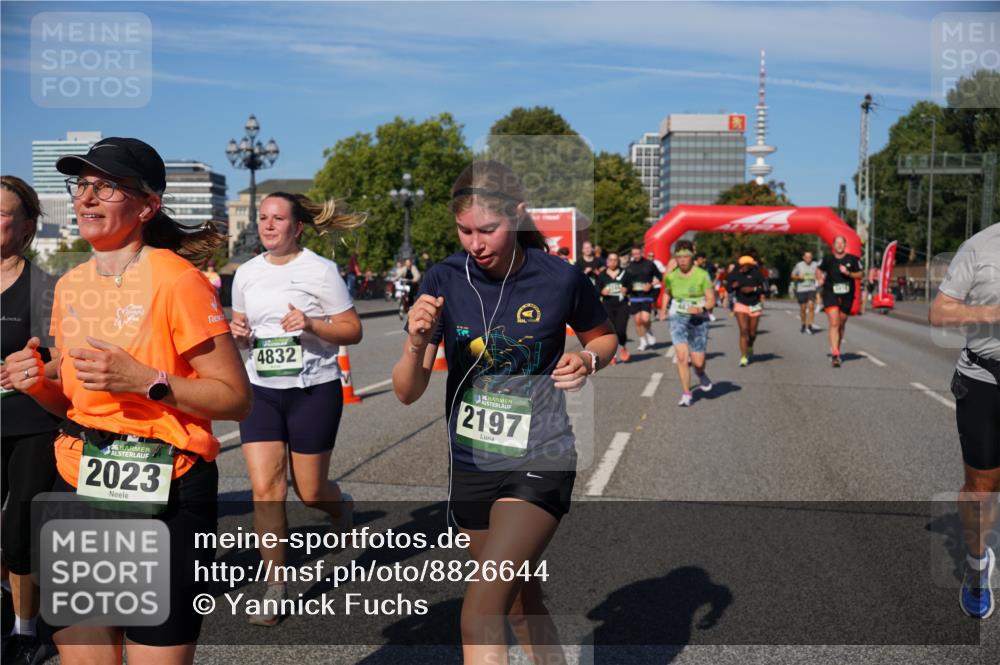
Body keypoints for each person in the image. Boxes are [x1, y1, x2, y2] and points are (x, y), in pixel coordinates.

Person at [4, 138, 252, 664]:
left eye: (107, 186)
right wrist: (38, 384)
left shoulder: (176, 280)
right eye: (83, 186)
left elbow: (235, 400)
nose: (87, 198)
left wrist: (146, 381)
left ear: (145, 206)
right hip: (77, 481)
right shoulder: (69, 286)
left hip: (166, 490)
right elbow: (73, 403)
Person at [392, 161, 616, 665]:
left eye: (487, 230)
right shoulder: (443, 277)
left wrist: (587, 359)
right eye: (464, 230)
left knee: (481, 609)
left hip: (541, 455)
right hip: (472, 461)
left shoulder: (560, 279)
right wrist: (415, 340)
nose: (475, 243)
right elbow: (407, 392)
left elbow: (604, 336)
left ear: (517, 216)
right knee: (518, 603)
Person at [229, 192, 365, 626]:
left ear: (297, 227)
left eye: (278, 219)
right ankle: (276, 585)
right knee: (266, 488)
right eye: (263, 218)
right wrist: (239, 333)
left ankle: (340, 506)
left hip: (313, 390)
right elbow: (241, 331)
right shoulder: (245, 274)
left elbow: (353, 330)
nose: (268, 226)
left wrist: (310, 324)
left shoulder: (320, 271)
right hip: (262, 391)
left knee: (309, 491)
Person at [0, 176, 61, 665]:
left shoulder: (44, 288)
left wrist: (35, 366)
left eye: (2, 212)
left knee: (21, 530)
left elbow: (61, 357)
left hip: (30, 425)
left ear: (26, 227)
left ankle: (26, 629)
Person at [929, 224, 1000, 619]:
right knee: (982, 489)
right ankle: (976, 566)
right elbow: (940, 312)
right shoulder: (980, 246)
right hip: (985, 380)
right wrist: (993, 312)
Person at [661, 241, 715, 406]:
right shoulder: (671, 276)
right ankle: (686, 393)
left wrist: (702, 308)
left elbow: (711, 299)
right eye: (679, 257)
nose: (683, 260)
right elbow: (667, 293)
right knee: (682, 357)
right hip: (678, 317)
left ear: (693, 257)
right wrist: (663, 310)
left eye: (686, 257)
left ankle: (701, 373)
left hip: (698, 319)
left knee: (698, 361)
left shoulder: (702, 275)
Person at [816, 235, 863, 368]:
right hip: (830, 293)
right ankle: (835, 354)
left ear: (845, 244)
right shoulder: (828, 259)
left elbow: (860, 274)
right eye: (837, 243)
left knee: (841, 323)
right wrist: (819, 278)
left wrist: (849, 273)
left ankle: (836, 346)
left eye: (842, 243)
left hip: (847, 294)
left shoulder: (853, 259)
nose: (840, 245)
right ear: (833, 245)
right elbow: (819, 269)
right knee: (834, 322)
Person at [728, 255, 767, 367]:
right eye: (741, 266)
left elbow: (765, 288)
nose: (742, 268)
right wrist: (734, 285)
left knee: (752, 333)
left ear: (750, 266)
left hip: (755, 304)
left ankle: (750, 345)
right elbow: (728, 287)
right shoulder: (735, 273)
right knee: (743, 331)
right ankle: (743, 357)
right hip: (741, 304)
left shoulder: (757, 273)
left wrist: (753, 289)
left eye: (744, 266)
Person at [595, 251, 632, 363]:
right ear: (607, 261)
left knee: (620, 330)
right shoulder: (602, 275)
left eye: (615, 260)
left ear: (618, 261)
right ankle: (613, 354)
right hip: (607, 305)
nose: (613, 262)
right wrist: (602, 291)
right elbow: (596, 290)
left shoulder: (625, 274)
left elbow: (631, 287)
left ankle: (623, 346)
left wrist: (627, 290)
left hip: (622, 305)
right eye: (610, 260)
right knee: (611, 330)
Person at [626, 245, 661, 351]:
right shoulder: (629, 266)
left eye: (638, 253)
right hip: (634, 295)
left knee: (645, 318)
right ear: (631, 254)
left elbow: (660, 277)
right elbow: (625, 280)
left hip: (647, 294)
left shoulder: (649, 264)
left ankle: (649, 330)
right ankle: (643, 341)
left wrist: (651, 285)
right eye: (634, 254)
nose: (636, 256)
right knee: (637, 321)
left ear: (642, 253)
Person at [791, 250, 820, 334]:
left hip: (811, 288)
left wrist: (817, 277)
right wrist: (798, 277)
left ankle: (810, 325)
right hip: (801, 289)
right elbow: (792, 275)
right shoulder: (799, 265)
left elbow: (820, 274)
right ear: (803, 257)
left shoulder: (815, 264)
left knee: (811, 306)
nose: (808, 259)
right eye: (806, 257)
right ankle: (803, 324)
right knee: (803, 308)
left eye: (810, 257)